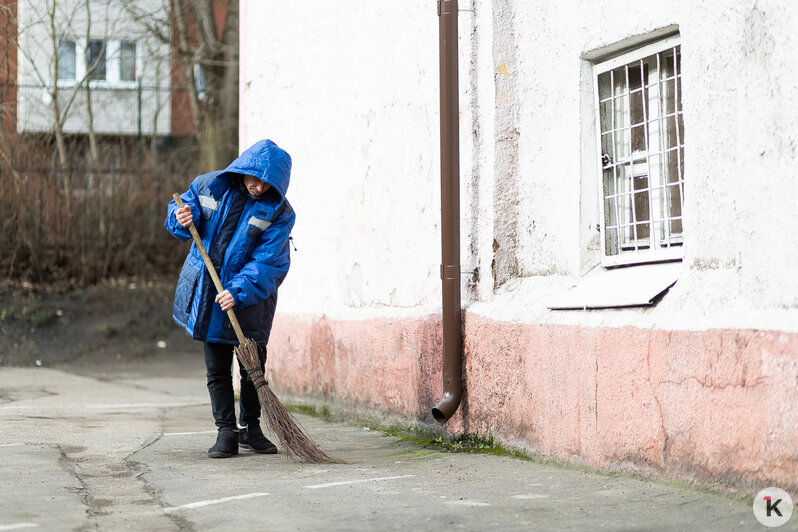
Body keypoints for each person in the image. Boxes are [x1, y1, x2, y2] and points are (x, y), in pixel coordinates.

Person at [165, 139, 295, 458]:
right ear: (243, 169)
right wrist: (181, 217)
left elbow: (269, 262)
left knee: (253, 368)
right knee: (217, 368)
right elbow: (183, 210)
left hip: (251, 299)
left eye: (268, 182)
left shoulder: (279, 211)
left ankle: (251, 427)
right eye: (255, 178)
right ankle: (226, 431)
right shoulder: (209, 185)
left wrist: (238, 290)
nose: (259, 186)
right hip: (209, 292)